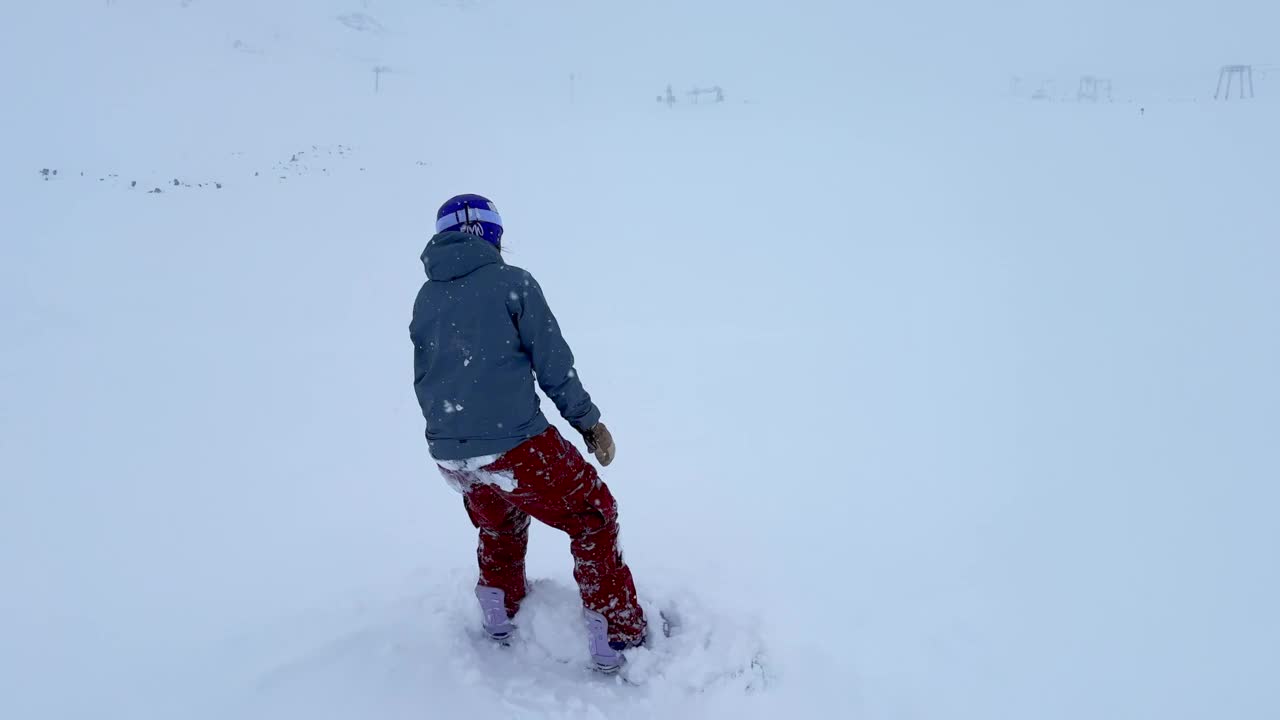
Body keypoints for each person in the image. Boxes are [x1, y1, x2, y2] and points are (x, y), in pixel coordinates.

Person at [409, 194, 647, 672]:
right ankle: (616, 636)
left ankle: (499, 614)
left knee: (500, 520)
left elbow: (425, 377)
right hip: (516, 443)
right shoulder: (512, 283)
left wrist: (454, 441)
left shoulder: (427, 296)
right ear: (491, 233)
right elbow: (553, 365)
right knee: (593, 515)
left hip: (452, 455)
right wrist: (589, 423)